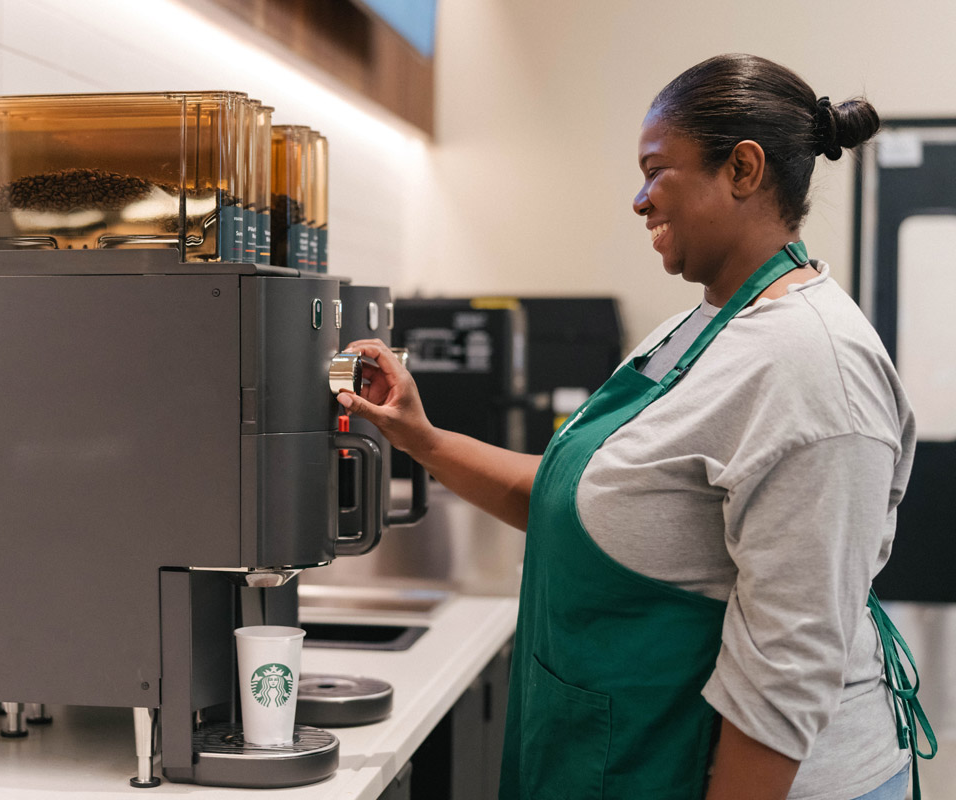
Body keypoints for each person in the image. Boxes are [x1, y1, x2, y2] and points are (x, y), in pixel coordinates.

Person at [338, 54, 935, 800]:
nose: (640, 200)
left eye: (657, 170)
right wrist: (420, 436)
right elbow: (583, 500)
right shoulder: (705, 325)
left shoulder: (814, 369)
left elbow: (788, 671)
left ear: (742, 169)